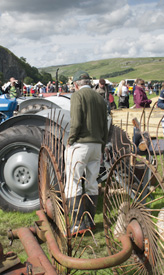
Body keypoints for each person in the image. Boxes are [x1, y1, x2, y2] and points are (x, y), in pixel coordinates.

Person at [65, 70, 108, 236]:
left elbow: (76, 122)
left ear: (76, 85)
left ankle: (78, 224)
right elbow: (105, 127)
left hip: (80, 145)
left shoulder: (77, 96)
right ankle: (90, 222)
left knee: (73, 183)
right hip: (97, 146)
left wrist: (70, 141)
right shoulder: (100, 98)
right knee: (91, 183)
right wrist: (102, 147)